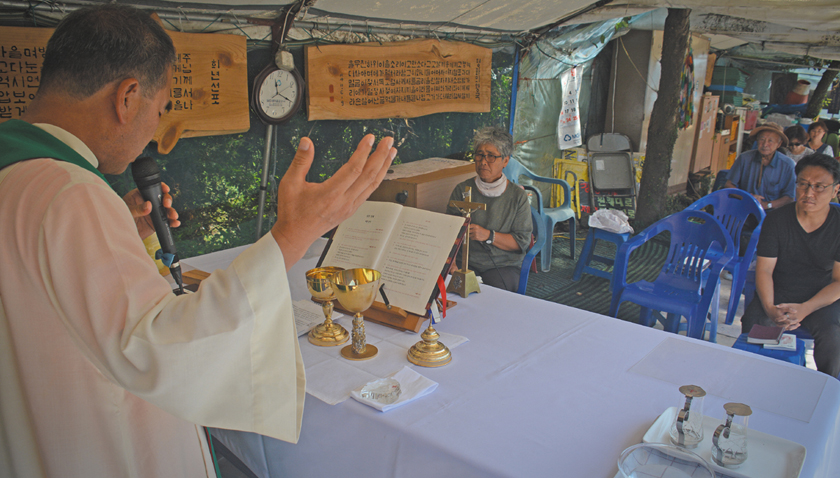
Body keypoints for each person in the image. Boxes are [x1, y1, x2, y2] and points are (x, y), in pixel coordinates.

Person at [0, 5, 396, 477]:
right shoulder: (72, 193)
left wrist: (122, 233)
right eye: (161, 107)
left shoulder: (20, 176)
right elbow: (162, 348)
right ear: (127, 97)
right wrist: (295, 233)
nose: (155, 127)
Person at [740, 153, 840, 378]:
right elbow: (764, 269)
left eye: (819, 186)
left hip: (822, 296)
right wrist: (769, 308)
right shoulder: (776, 220)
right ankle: (753, 383)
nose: (809, 193)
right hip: (780, 291)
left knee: (833, 337)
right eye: (803, 184)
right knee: (754, 326)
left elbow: (838, 281)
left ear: (836, 190)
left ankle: (830, 392)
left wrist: (806, 308)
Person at [446, 126, 532, 292]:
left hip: (502, 264)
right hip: (465, 262)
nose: (483, 162)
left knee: (496, 295)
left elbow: (521, 242)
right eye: (480, 155)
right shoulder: (462, 190)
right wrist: (452, 263)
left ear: (505, 161)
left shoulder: (517, 197)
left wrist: (489, 235)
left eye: (491, 156)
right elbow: (449, 233)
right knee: (450, 291)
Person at [724, 122, 796, 211]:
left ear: (779, 144)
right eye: (762, 139)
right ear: (757, 140)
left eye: (770, 141)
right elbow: (729, 184)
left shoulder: (788, 165)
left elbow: (789, 197)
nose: (765, 144)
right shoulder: (745, 158)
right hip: (744, 208)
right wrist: (748, 197)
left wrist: (767, 205)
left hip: (772, 214)